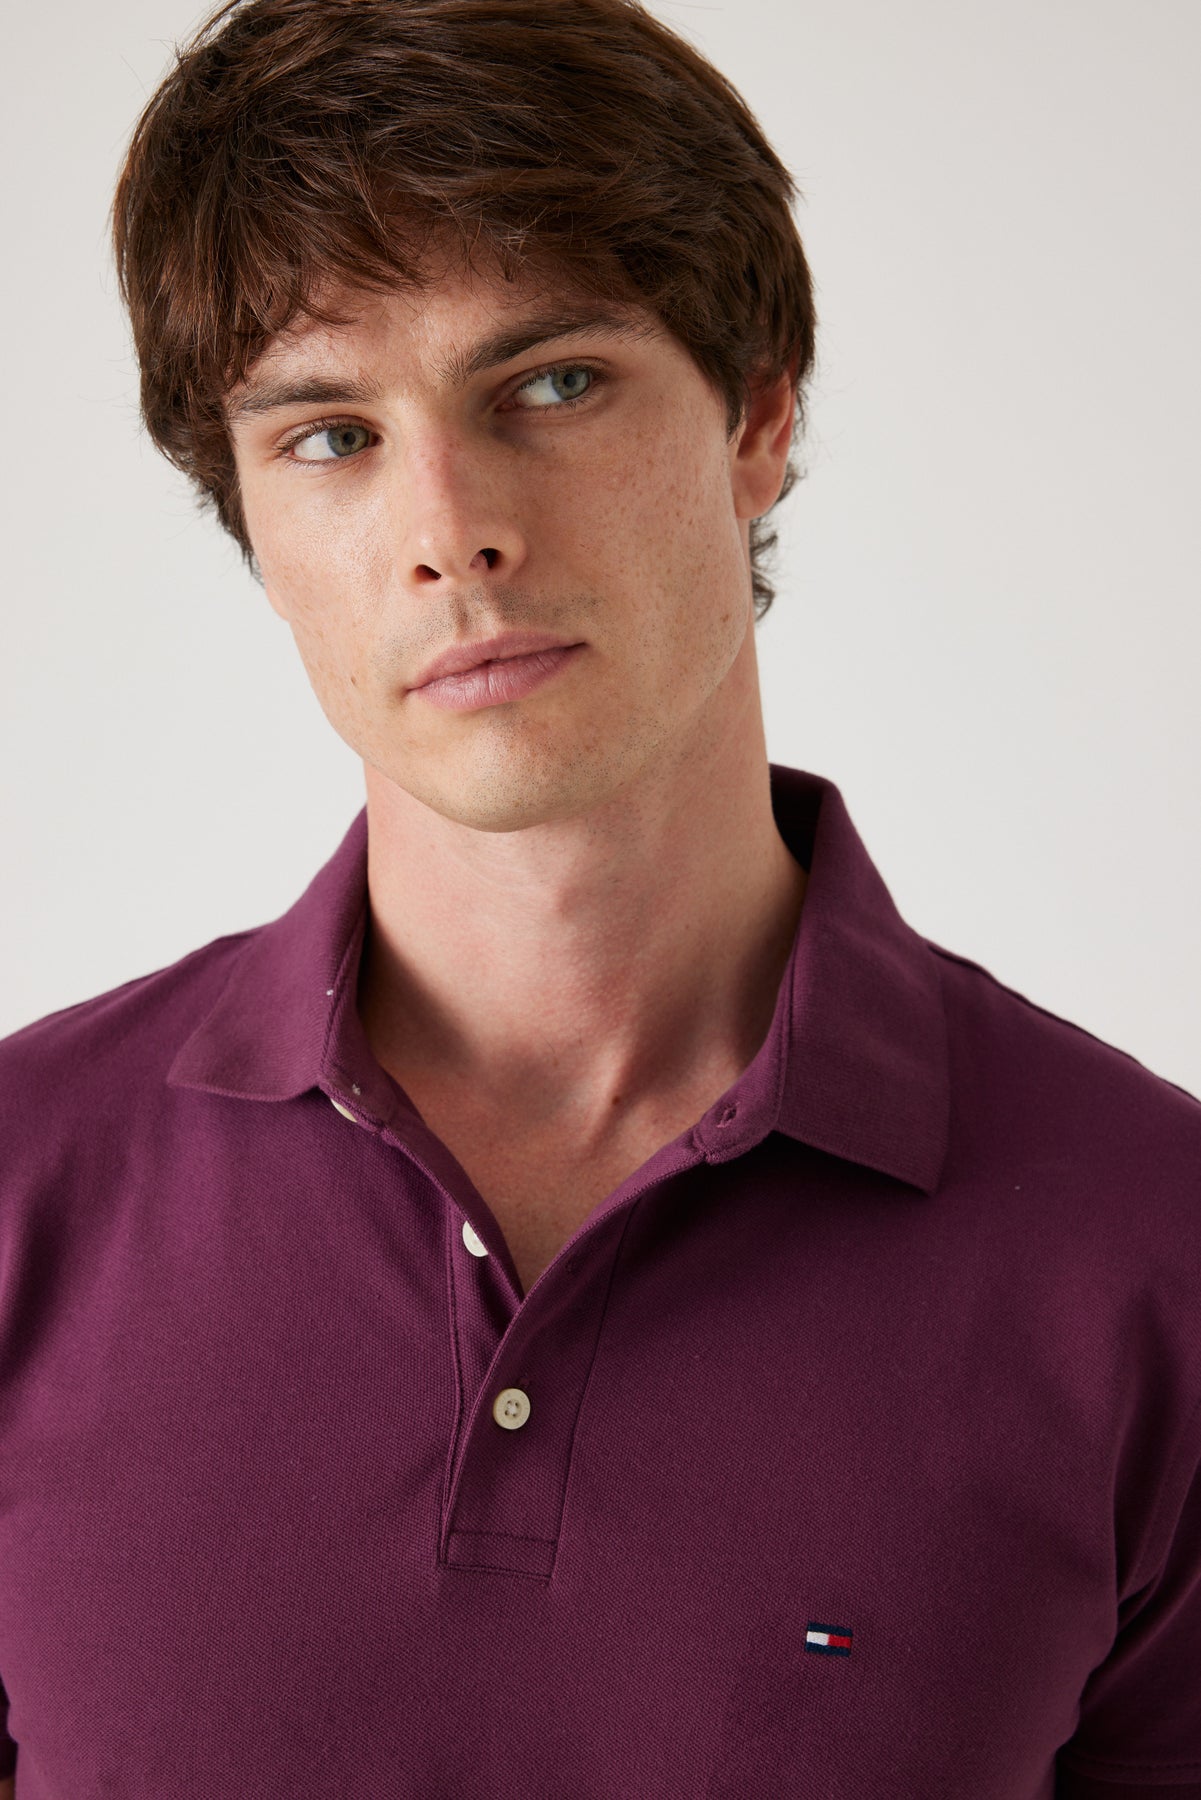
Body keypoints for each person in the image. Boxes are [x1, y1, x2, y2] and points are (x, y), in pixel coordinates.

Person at [0, 0, 1197, 1792]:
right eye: (328, 435)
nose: (451, 530)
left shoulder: (1154, 1250)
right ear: (246, 518)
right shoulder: (21, 1194)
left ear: (756, 414)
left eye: (550, 384)